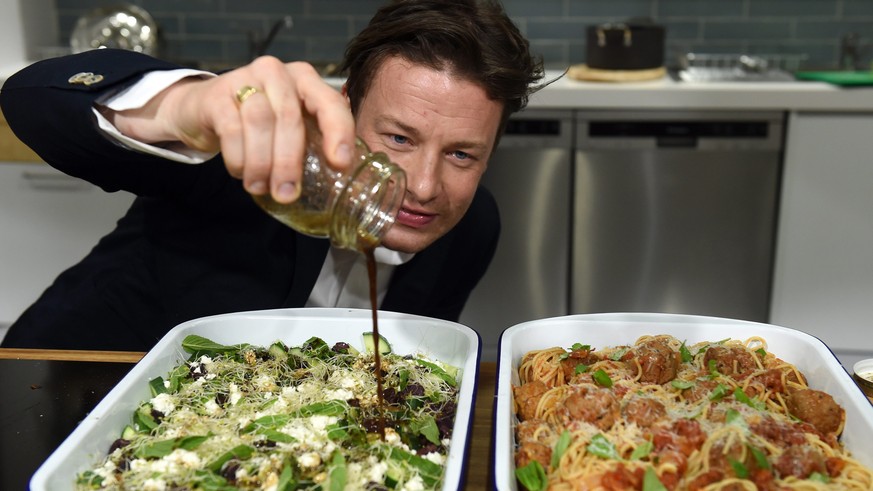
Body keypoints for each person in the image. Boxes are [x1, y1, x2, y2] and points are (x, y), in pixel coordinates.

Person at [0, 0, 544, 351]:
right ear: (346, 107)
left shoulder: (473, 229)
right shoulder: (251, 159)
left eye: (462, 155)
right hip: (62, 386)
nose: (424, 187)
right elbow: (31, 101)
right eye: (399, 139)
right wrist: (185, 106)